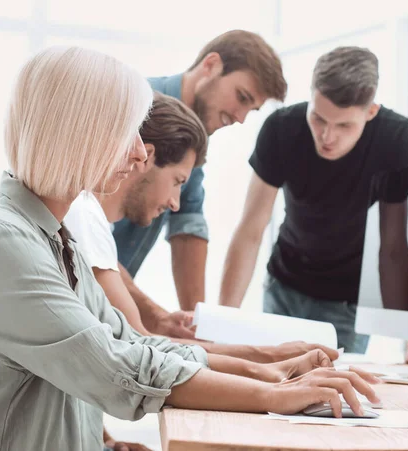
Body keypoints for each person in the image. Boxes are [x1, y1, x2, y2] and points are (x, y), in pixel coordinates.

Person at [0, 47, 379, 451]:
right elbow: (117, 367)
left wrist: (269, 370)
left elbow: (134, 342)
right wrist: (274, 393)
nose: (140, 154)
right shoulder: (1, 243)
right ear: (79, 133)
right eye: (129, 133)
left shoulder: (52, 237)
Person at [65, 92, 338, 364]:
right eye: (177, 181)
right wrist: (271, 357)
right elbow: (139, 345)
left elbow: (140, 339)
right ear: (145, 157)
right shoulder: (84, 214)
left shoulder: (88, 217)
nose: (175, 203)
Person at [219, 46, 408, 357]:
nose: (327, 136)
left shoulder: (396, 139)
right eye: (318, 118)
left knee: (334, 399)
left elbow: (398, 244)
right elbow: (251, 228)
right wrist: (223, 325)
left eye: (344, 126)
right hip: (283, 288)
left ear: (370, 112)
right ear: (312, 96)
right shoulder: (281, 128)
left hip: (348, 303)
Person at [111, 30, 287, 339]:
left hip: (111, 304)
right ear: (211, 65)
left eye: (252, 110)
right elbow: (85, 242)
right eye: (242, 98)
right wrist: (158, 319)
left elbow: (188, 228)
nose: (241, 118)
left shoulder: (194, 140)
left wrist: (202, 330)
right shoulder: (133, 110)